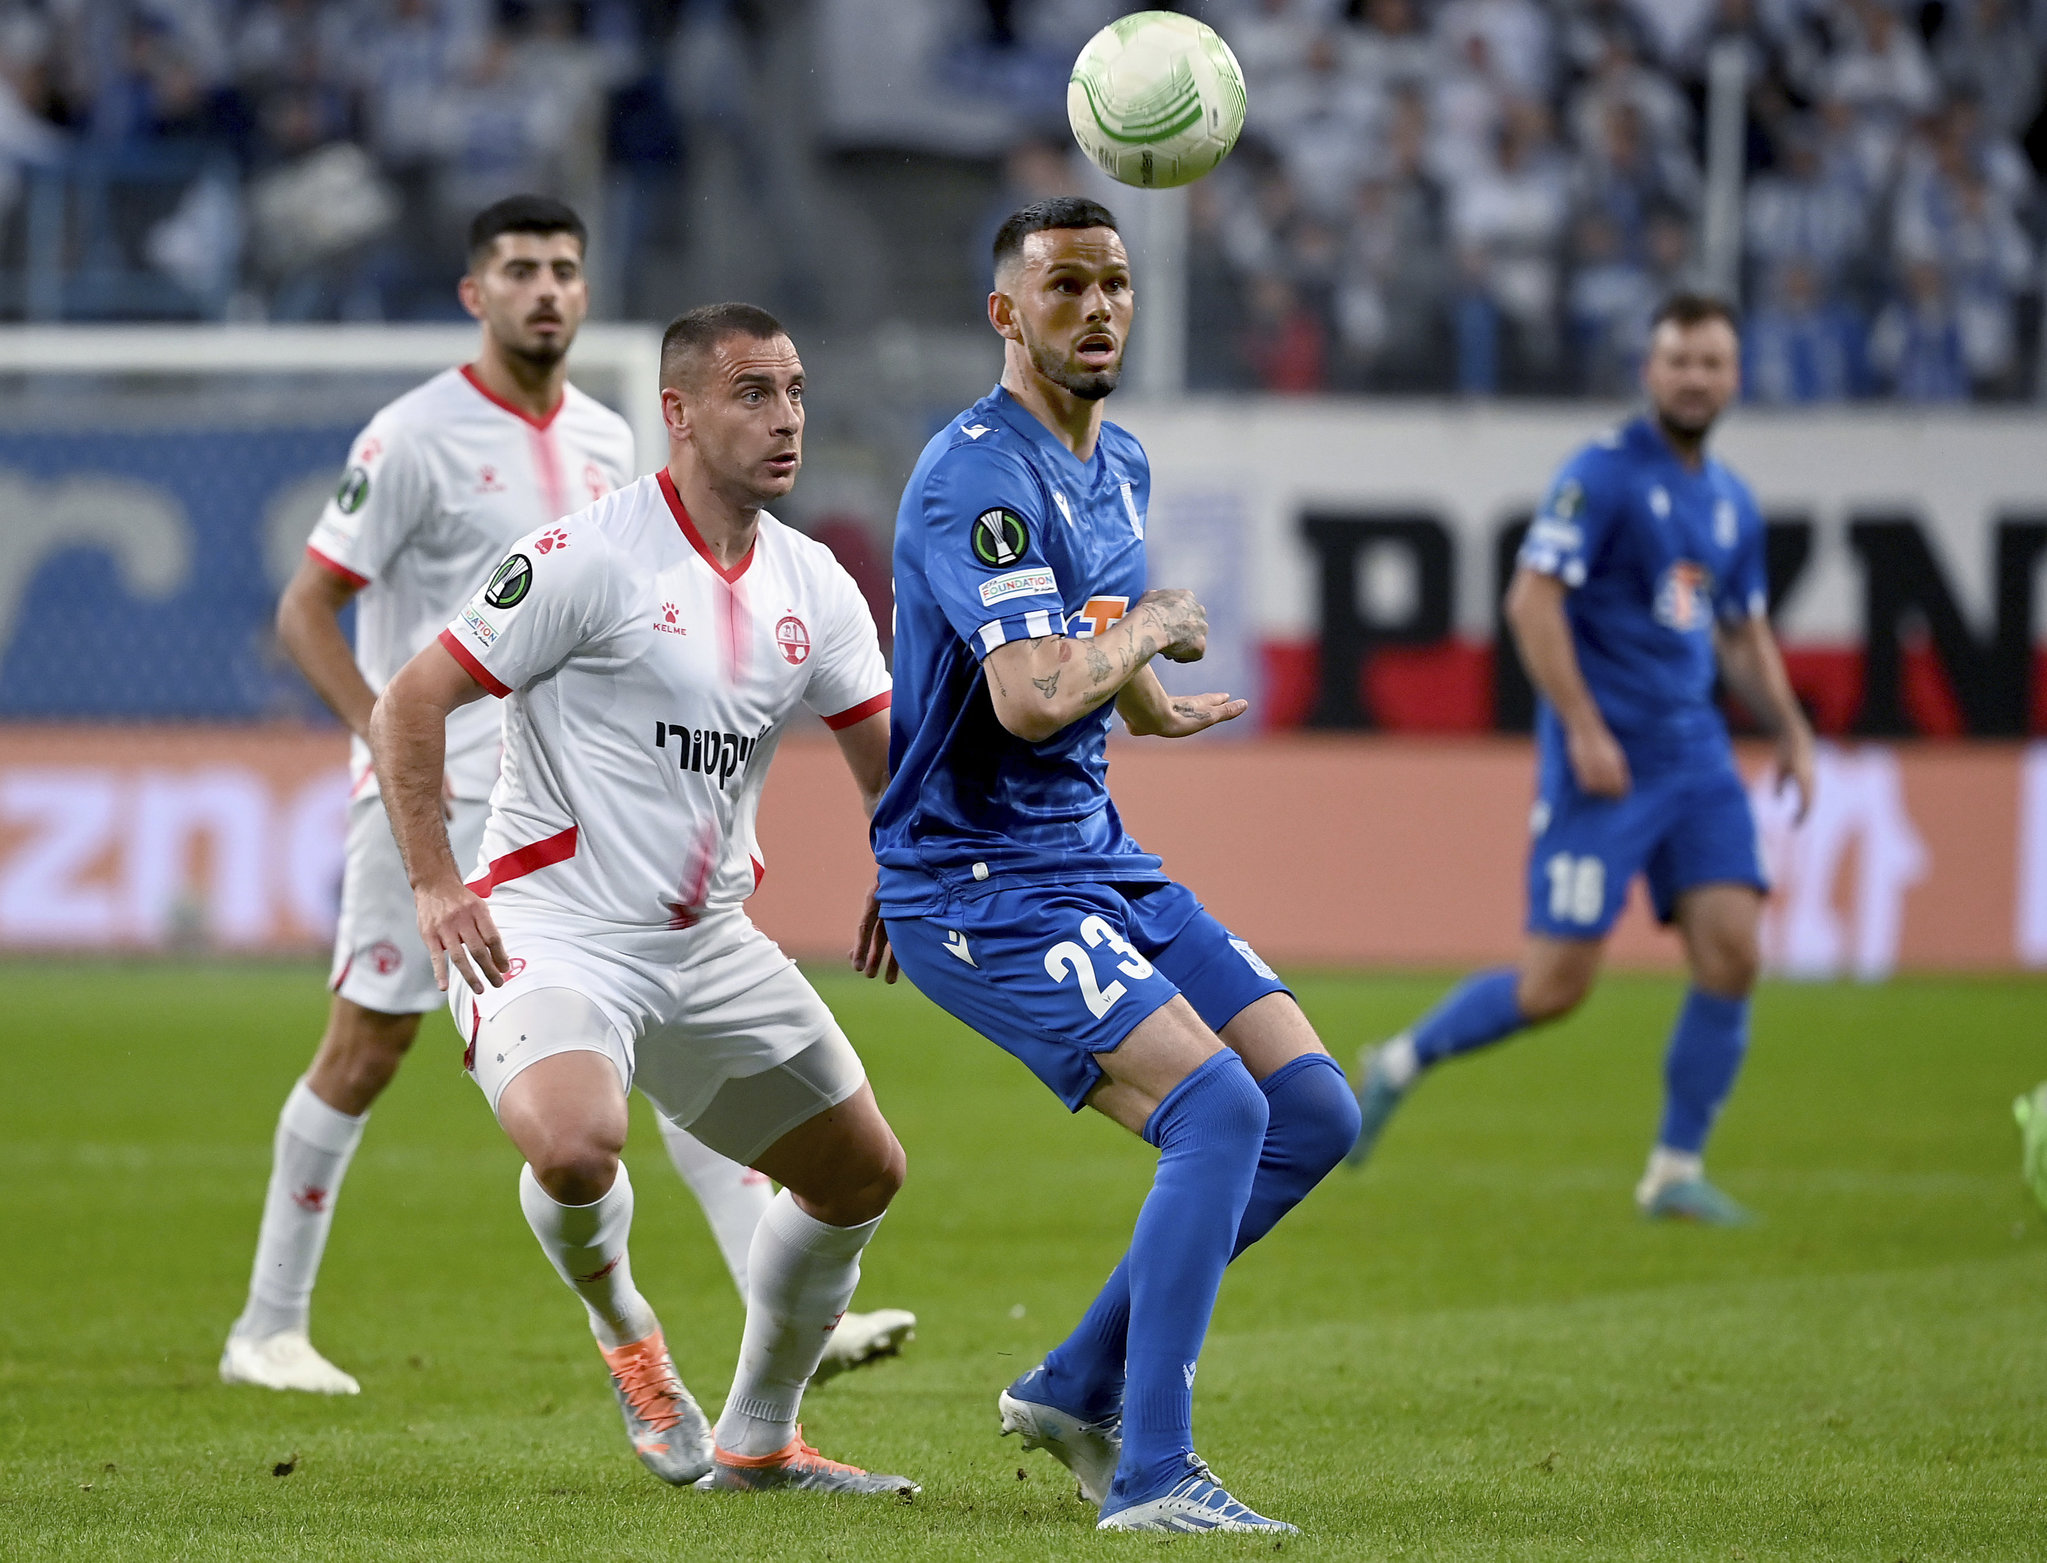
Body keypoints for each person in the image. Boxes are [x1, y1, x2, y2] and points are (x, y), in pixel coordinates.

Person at [221, 198, 911, 1397]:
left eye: (566, 270)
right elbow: (306, 611)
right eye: (520, 270)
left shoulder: (609, 443)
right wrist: (386, 760)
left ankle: (770, 1291)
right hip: (434, 796)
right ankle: (268, 1325)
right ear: (474, 293)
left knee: (662, 1036)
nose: (547, 290)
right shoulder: (412, 436)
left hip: (597, 808)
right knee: (370, 1045)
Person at [861, 197, 1362, 1535]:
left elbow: (1076, 651)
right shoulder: (975, 475)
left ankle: (1074, 1383)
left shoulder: (1118, 460)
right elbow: (1028, 695)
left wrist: (1144, 703)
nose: (1095, 309)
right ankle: (1150, 1470)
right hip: (979, 880)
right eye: (1064, 285)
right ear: (1004, 314)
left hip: (1091, 851)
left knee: (1310, 1109)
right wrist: (1142, 635)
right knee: (1216, 1110)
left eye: (1114, 284)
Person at [366, 302, 916, 1494]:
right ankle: (632, 1344)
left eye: (796, 391)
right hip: (554, 931)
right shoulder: (585, 557)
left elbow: (891, 764)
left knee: (862, 1174)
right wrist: (433, 880)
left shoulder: (813, 583)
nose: (787, 420)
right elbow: (408, 703)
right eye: (752, 394)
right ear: (677, 412)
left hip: (708, 944)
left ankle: (761, 1439)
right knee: (575, 1149)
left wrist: (904, 864)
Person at [1348, 293, 1816, 1225]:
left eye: (1711, 362)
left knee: (1731, 953)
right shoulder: (1600, 475)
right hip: (1604, 765)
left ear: (1734, 377)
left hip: (1696, 758)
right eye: (1678, 359)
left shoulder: (1727, 501)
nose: (1694, 377)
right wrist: (1586, 727)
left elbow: (1742, 630)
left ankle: (1671, 1170)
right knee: (1554, 986)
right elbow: (1531, 602)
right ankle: (1397, 1060)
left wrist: (1793, 729)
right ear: (1650, 371)